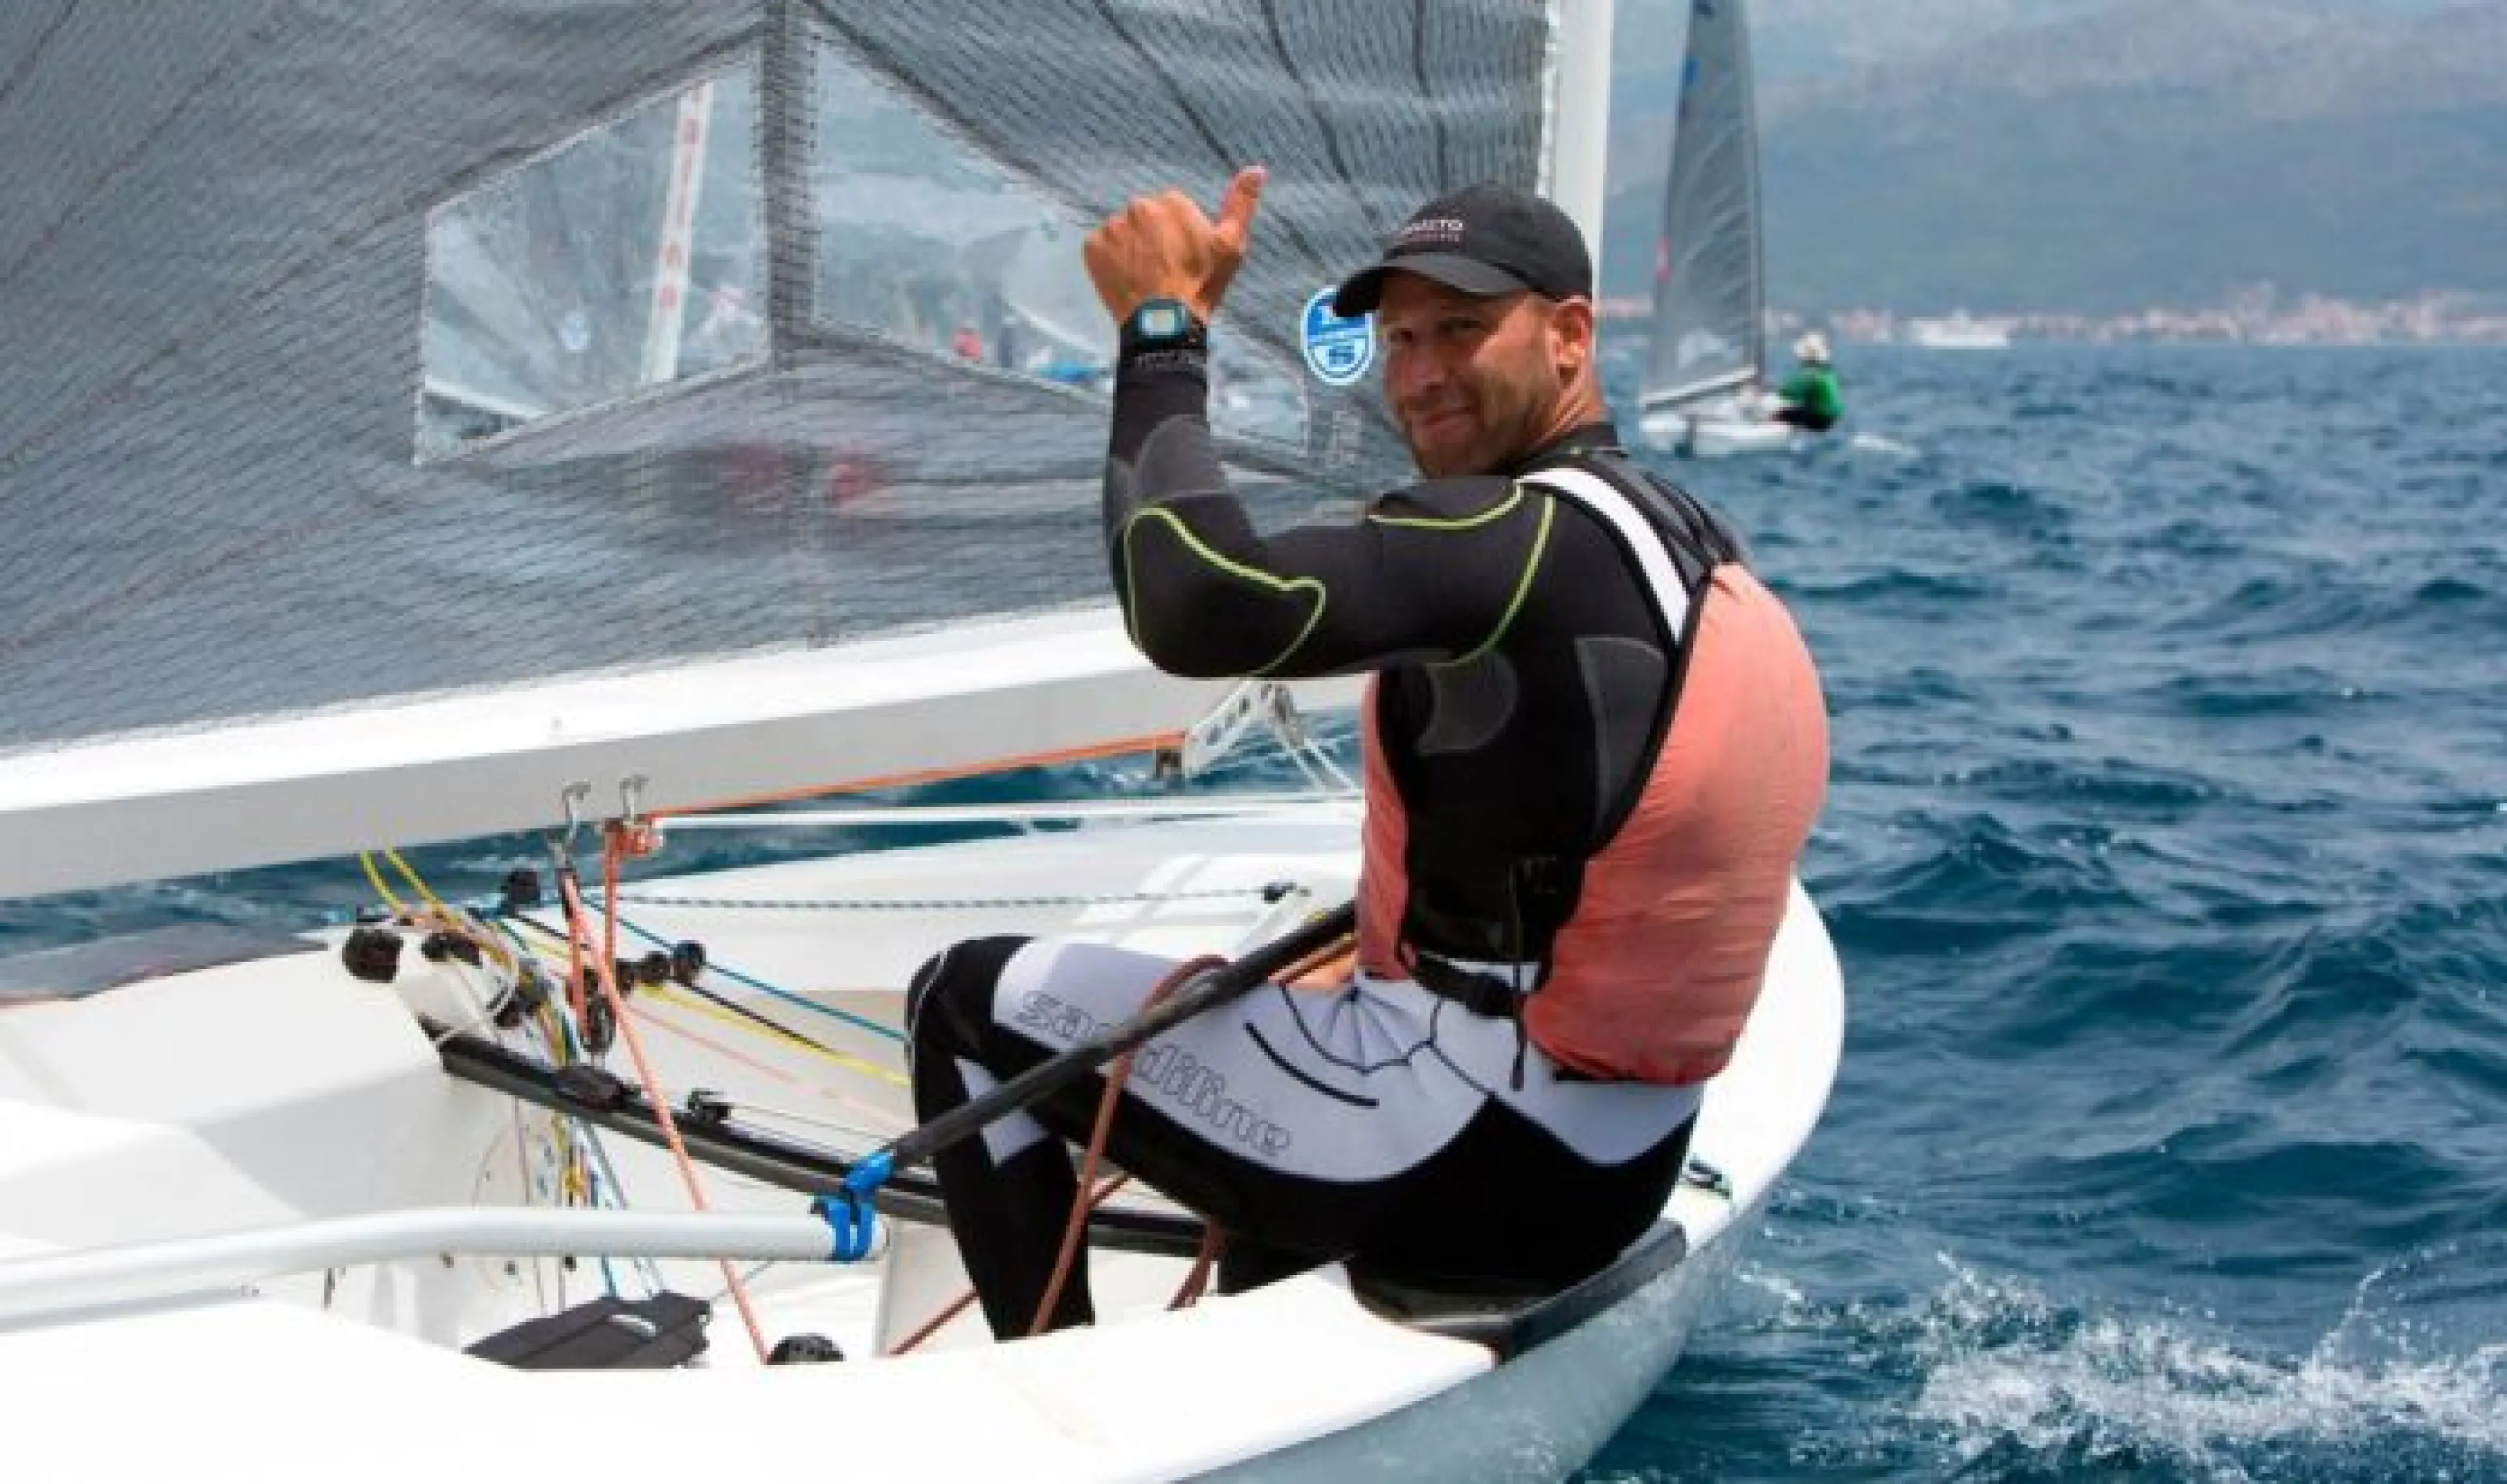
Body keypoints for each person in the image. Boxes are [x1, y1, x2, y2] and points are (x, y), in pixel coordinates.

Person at [905, 170, 1829, 1338]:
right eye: (1399, 338)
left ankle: (1052, 1388)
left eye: (1461, 328)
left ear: (1569, 335)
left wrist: (1162, 333)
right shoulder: (1674, 534)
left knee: (962, 1001)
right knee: (1295, 1020)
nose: (1421, 372)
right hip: (1613, 1162)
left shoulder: (1512, 539)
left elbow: (1197, 603)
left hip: (1470, 1154)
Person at [1765, 332, 1843, 432]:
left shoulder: (1809, 373)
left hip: (1820, 418)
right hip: (1833, 418)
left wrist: (1768, 394)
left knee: (1777, 414)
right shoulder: (1828, 372)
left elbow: (1789, 393)